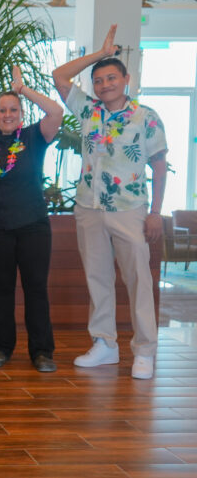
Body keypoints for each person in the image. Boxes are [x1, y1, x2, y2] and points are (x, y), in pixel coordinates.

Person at [52, 25, 167, 380]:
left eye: (111, 78)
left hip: (130, 210)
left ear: (126, 79)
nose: (105, 85)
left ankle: (144, 350)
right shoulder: (88, 110)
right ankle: (105, 344)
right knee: (97, 278)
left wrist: (155, 213)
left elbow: (159, 165)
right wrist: (100, 54)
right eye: (99, 80)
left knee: (138, 280)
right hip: (89, 208)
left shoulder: (146, 117)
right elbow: (59, 76)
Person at [0, 66, 63, 373]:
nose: (8, 114)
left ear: (21, 114)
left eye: (13, 109)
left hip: (33, 227)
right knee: (2, 289)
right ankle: (1, 347)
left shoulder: (34, 136)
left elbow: (56, 111)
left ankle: (42, 351)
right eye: (2, 110)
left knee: (35, 288)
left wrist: (22, 89)